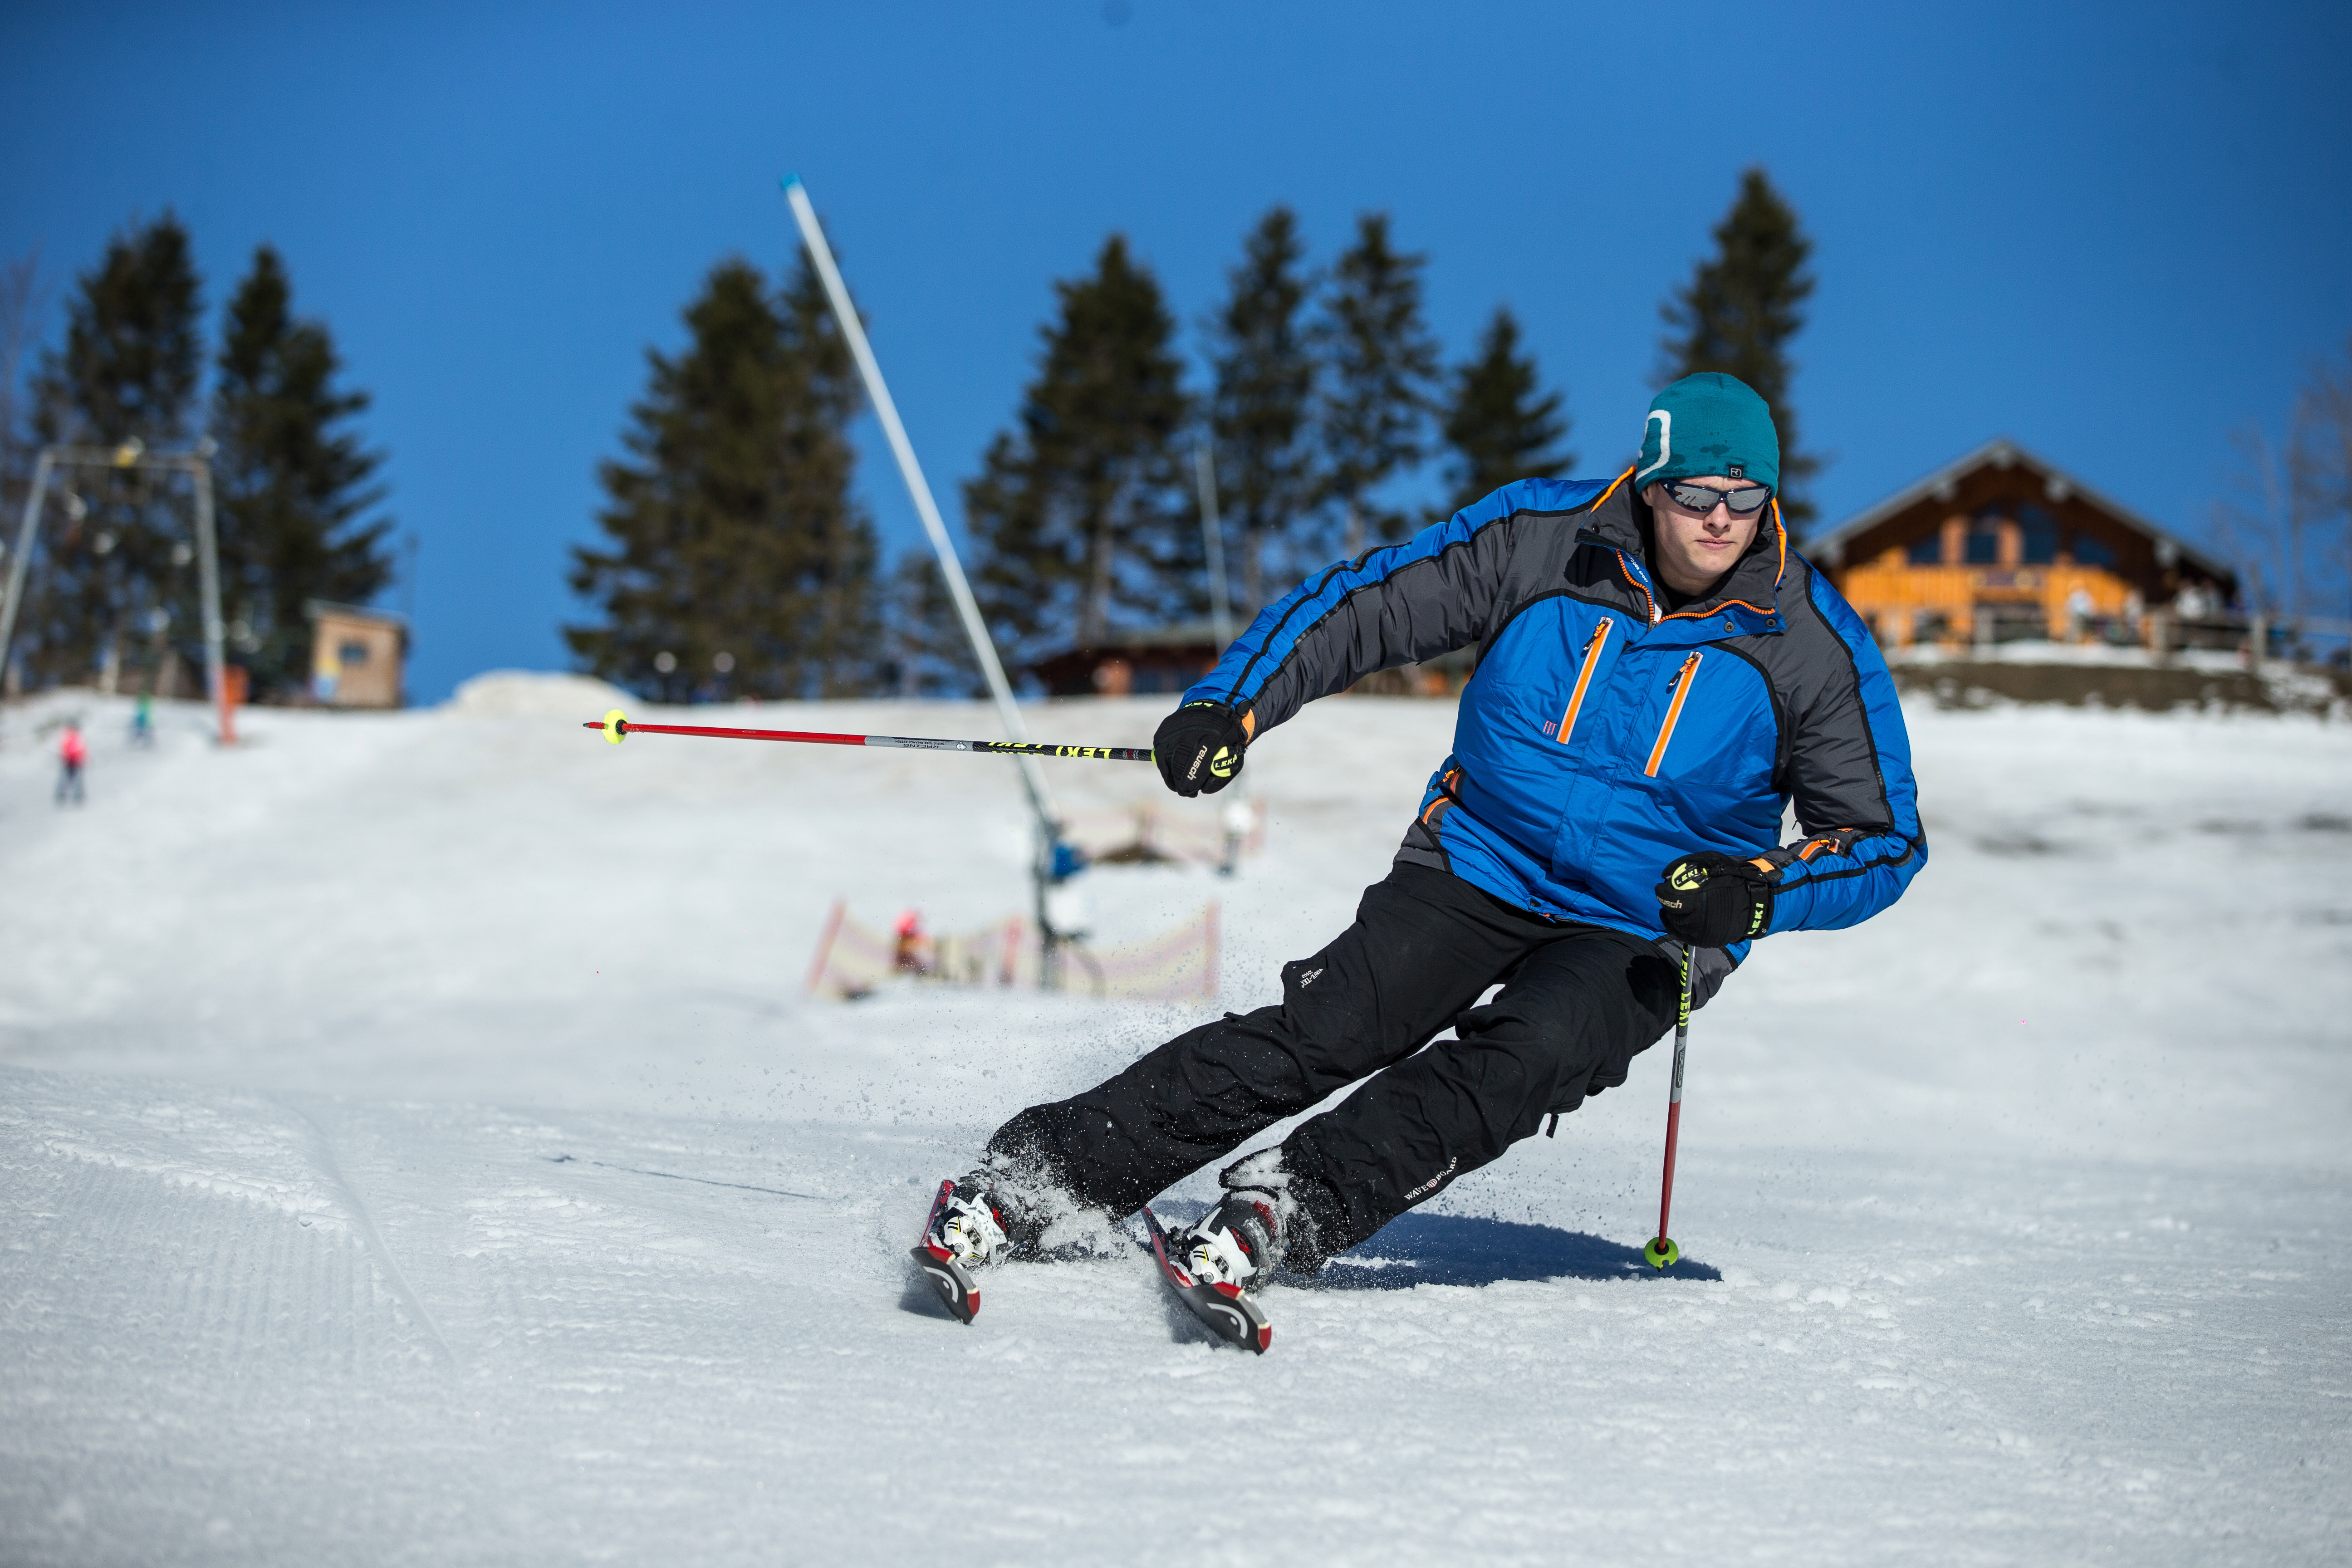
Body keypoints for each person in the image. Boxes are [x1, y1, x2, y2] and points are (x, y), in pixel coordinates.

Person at [916, 373, 1926, 1339]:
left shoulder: (1811, 644)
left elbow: (1881, 840)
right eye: (1697, 492)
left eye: (1746, 496)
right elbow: (1367, 605)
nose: (1721, 517)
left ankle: (1287, 1204)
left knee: (1527, 1057)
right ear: (1649, 488)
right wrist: (1235, 703)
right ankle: (1035, 1177)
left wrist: (1756, 895)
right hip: (1478, 860)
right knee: (1335, 1025)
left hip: (1646, 923)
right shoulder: (1545, 541)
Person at [55, 723, 87, 806]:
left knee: (74, 780)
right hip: (71, 762)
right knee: (70, 779)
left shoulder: (71, 737)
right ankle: (64, 794)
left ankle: (76, 795)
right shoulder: (72, 737)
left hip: (73, 762)